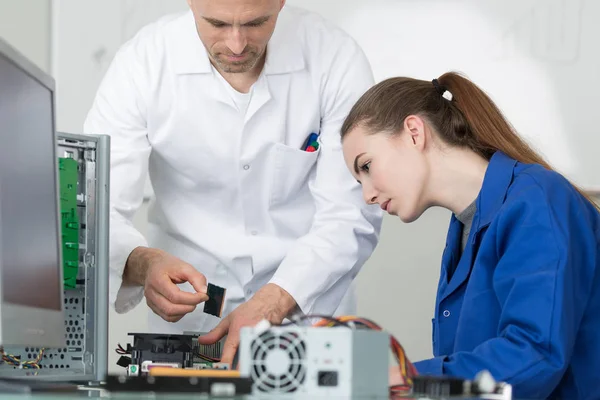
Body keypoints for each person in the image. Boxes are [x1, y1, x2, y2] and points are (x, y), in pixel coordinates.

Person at [83, 0, 382, 366]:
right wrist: (143, 263)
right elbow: (96, 207)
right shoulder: (142, 64)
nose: (237, 44)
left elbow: (350, 212)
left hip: (305, 310)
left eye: (256, 22)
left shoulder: (334, 58)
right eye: (218, 24)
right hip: (192, 319)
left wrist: (275, 299)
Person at [341, 72, 600, 399]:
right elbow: (471, 366)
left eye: (366, 167)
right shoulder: (463, 229)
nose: (367, 195)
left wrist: (401, 380)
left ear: (413, 132)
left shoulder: (537, 202)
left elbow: (535, 354)